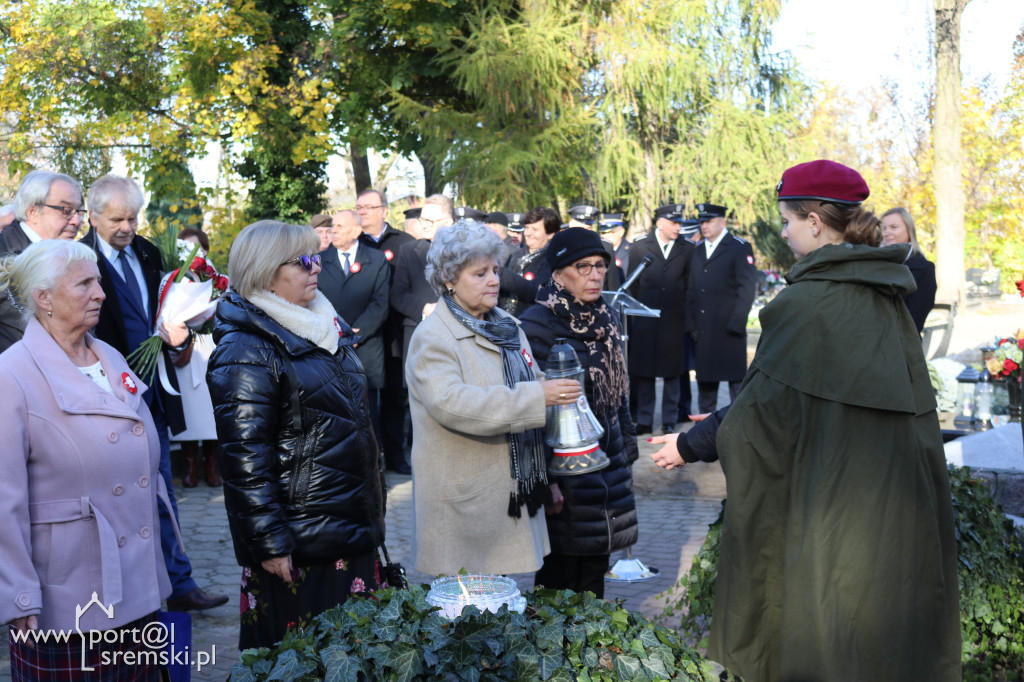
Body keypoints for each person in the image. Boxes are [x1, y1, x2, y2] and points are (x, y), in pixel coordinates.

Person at [649, 160, 960, 682]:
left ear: (816, 221)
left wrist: (691, 443)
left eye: (789, 220)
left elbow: (759, 413)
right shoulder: (884, 293)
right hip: (889, 500)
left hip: (828, 498)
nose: (785, 232)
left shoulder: (807, 302)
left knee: (818, 624)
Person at [206, 220, 386, 650]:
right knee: (300, 661)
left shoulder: (323, 326)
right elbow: (245, 460)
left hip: (348, 528)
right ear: (267, 271)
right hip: (298, 548)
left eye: (317, 258)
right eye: (304, 261)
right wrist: (268, 541)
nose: (317, 268)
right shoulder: (246, 349)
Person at [0, 240, 171, 680]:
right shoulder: (12, 375)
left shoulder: (107, 355)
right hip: (70, 599)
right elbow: (4, 499)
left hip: (137, 586)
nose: (101, 293)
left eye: (98, 281)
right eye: (85, 284)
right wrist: (19, 594)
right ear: (44, 299)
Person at [79, 174, 227, 612]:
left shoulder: (147, 252)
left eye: (133, 218)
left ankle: (179, 583)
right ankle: (127, 592)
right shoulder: (78, 258)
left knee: (162, 487)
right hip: (102, 399)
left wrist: (179, 341)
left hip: (152, 395)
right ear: (93, 216)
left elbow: (167, 311)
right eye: (117, 219)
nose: (127, 227)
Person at [405, 219, 582, 575]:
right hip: (465, 502)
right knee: (467, 615)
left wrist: (558, 386)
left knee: (500, 609)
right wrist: (538, 397)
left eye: (495, 270)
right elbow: (453, 405)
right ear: (449, 280)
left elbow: (528, 377)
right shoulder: (433, 336)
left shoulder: (505, 325)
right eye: (480, 273)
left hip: (510, 493)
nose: (494, 280)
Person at [519, 228, 638, 598]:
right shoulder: (536, 325)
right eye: (582, 266)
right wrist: (544, 480)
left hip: (607, 462)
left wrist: (628, 450)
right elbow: (530, 411)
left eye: (600, 266)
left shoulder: (605, 317)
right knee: (559, 580)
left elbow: (618, 394)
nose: (595, 275)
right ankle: (554, 654)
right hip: (564, 474)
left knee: (594, 572)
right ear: (557, 273)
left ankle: (587, 655)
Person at [319, 209, 390, 458]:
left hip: (365, 346)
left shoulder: (377, 259)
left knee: (367, 408)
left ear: (356, 231)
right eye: (332, 226)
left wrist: (356, 333)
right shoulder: (318, 260)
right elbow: (314, 300)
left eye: (339, 226)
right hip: (329, 345)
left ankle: (373, 460)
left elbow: (381, 302)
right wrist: (337, 332)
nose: (333, 231)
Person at [356, 189, 416, 480]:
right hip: (363, 333)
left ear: (384, 210)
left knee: (394, 396)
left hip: (393, 332)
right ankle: (370, 454)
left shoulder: (404, 243)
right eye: (359, 207)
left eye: (369, 207)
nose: (363, 212)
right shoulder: (353, 243)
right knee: (365, 396)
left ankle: (395, 456)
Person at [625, 203, 694, 435]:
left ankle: (669, 420)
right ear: (659, 223)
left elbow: (689, 285)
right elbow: (632, 284)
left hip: (674, 321)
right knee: (644, 372)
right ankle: (644, 420)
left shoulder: (687, 248)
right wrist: (640, 313)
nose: (678, 227)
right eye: (674, 223)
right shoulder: (640, 246)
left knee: (672, 374)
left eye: (680, 223)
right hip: (646, 320)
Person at [0, 170, 85, 354]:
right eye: (66, 210)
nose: (77, 220)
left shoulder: (73, 258)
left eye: (79, 211)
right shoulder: (3, 256)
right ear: (33, 212)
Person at [686, 202, 758, 414]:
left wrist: (736, 323)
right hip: (704, 331)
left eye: (708, 221)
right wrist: (691, 323)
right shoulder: (698, 250)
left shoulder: (738, 246)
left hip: (729, 330)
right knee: (706, 387)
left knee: (736, 386)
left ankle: (736, 431)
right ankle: (704, 432)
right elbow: (691, 289)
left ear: (722, 222)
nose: (704, 226)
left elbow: (746, 289)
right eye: (701, 222)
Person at [169, 228, 223, 488]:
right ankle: (191, 467)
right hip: (185, 346)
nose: (193, 252)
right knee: (190, 412)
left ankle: (212, 467)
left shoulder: (215, 277)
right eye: (186, 246)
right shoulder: (173, 278)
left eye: (198, 247)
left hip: (209, 347)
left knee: (211, 411)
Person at [391, 194, 455, 371]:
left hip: (455, 331)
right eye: (422, 219)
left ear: (448, 221)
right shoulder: (409, 250)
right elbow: (398, 294)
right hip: (419, 331)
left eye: (430, 220)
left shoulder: (464, 249)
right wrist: (425, 308)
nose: (424, 224)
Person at [881, 207, 936, 333]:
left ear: (909, 230)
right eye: (884, 228)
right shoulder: (874, 264)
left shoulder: (924, 269)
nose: (886, 232)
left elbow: (914, 321)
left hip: (901, 346)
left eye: (894, 227)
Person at [499, 206, 559, 316]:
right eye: (527, 228)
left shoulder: (553, 259)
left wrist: (498, 271)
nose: (528, 233)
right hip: (504, 321)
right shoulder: (516, 255)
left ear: (550, 234)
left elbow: (535, 289)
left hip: (532, 325)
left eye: (534, 229)